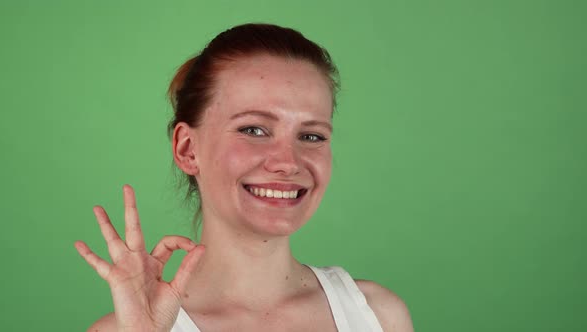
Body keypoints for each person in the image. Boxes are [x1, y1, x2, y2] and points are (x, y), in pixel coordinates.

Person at [75, 23, 414, 332]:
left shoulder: (379, 316)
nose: (288, 162)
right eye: (254, 129)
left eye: (311, 136)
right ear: (188, 149)